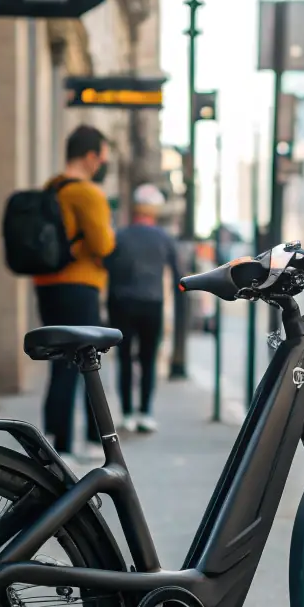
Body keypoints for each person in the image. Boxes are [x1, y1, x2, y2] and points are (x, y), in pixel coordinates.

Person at [33, 125, 116, 460]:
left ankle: (57, 440)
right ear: (92, 156)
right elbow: (104, 244)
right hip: (80, 285)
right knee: (86, 359)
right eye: (103, 157)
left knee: (60, 364)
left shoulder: (51, 187)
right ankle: (89, 443)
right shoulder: (87, 193)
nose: (103, 164)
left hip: (47, 285)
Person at [104, 184, 180, 433]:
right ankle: (145, 412)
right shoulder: (163, 237)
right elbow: (179, 273)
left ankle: (127, 413)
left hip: (121, 303)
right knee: (148, 359)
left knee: (124, 358)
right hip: (152, 303)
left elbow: (106, 266)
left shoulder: (120, 235)